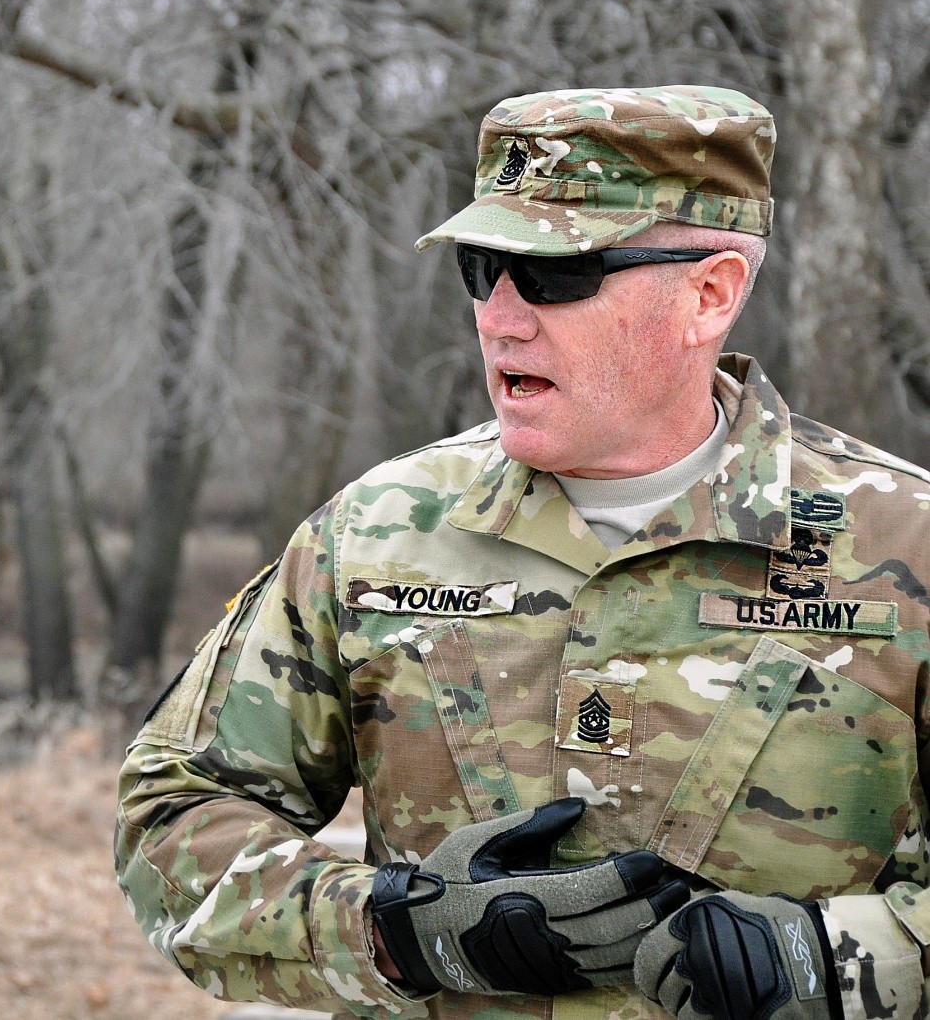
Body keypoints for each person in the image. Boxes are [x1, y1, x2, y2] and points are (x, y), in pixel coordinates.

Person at [116, 86, 930, 1020]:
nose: (500, 317)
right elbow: (172, 812)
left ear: (709, 294)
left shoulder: (903, 542)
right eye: (482, 267)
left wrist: (835, 963)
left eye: (554, 275)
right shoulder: (378, 532)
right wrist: (394, 929)